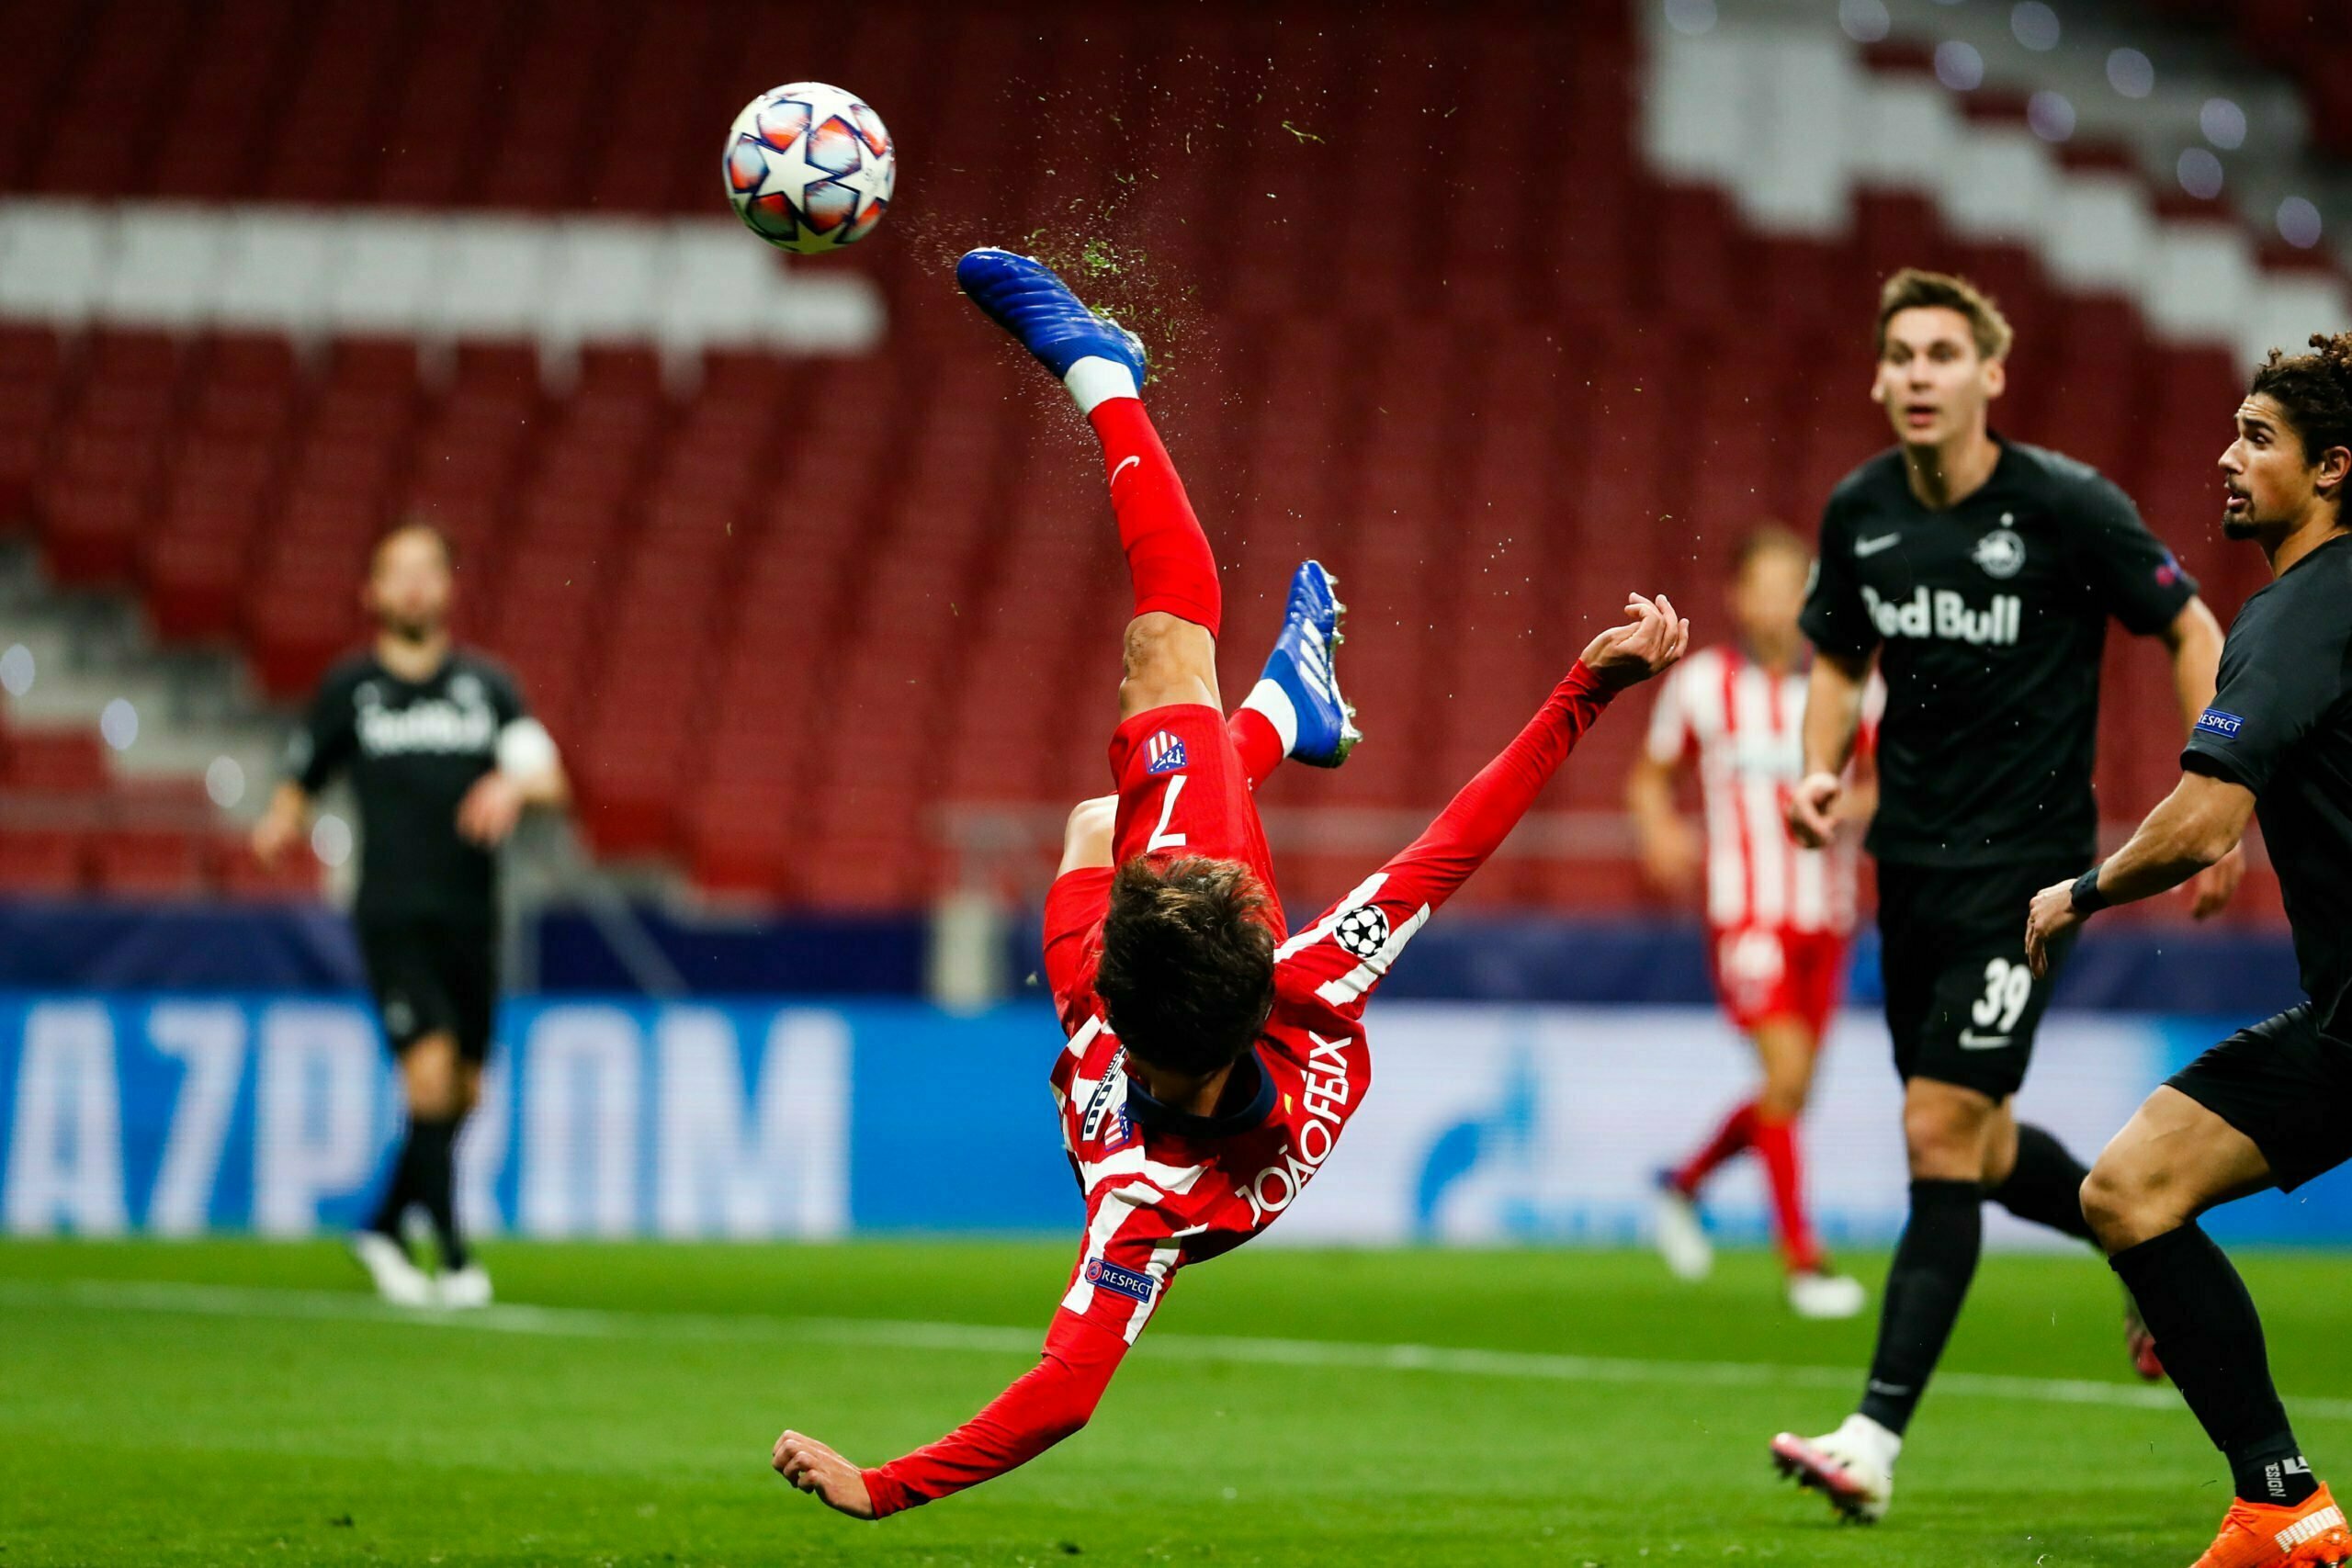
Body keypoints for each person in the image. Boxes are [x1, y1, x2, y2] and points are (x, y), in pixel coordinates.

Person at [768, 247, 1689, 1518]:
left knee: (1100, 816)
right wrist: (1585, 691)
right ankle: (1108, 380)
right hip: (1201, 940)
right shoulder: (1298, 985)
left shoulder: (1130, 1160)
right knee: (1165, 643)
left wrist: (884, 1485)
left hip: (1120, 992)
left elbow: (1064, 1385)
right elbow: (1451, 845)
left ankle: (1276, 705)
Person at [1767, 268, 2239, 1523]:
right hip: (1909, 870)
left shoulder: (2067, 507)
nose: (1920, 373)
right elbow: (1837, 656)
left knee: (1934, 1132)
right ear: (1878, 378)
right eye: (1902, 356)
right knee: (1970, 1142)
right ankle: (2141, 1237)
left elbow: (2191, 625)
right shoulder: (1860, 511)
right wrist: (1818, 769)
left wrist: (2220, 782)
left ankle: (1871, 1434)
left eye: (1943, 353)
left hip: (2029, 880)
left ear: (1990, 376)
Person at [2025, 334, 2352, 1568]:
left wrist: (2079, 891)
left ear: (2333, 468)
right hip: (2342, 1014)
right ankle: (2281, 1503)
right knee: (2131, 1188)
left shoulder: (2302, 609)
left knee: (2134, 1191)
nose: (2225, 456)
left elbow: (2209, 817)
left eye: (2257, 437)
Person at [252, 521, 568, 1309]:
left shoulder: (488, 687)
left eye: (429, 570)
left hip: (473, 919)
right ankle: (456, 1258)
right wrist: (279, 820)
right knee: (427, 1078)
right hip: (392, 914)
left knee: (463, 1092)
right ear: (373, 592)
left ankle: (387, 1224)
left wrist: (515, 787)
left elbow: (548, 774)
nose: (416, 585)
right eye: (399, 572)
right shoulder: (350, 689)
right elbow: (304, 775)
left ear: (449, 587)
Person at [1631, 525, 1878, 1318]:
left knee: (1790, 1092)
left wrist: (1845, 807)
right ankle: (1805, 1263)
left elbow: (1879, 786)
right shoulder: (1702, 684)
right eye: (1763, 586)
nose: (1778, 602)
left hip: (1825, 915)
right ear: (1738, 597)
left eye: (1792, 585)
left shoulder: (1849, 686)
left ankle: (1684, 1185)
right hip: (1746, 913)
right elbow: (1647, 778)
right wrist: (1661, 829)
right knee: (1783, 1078)